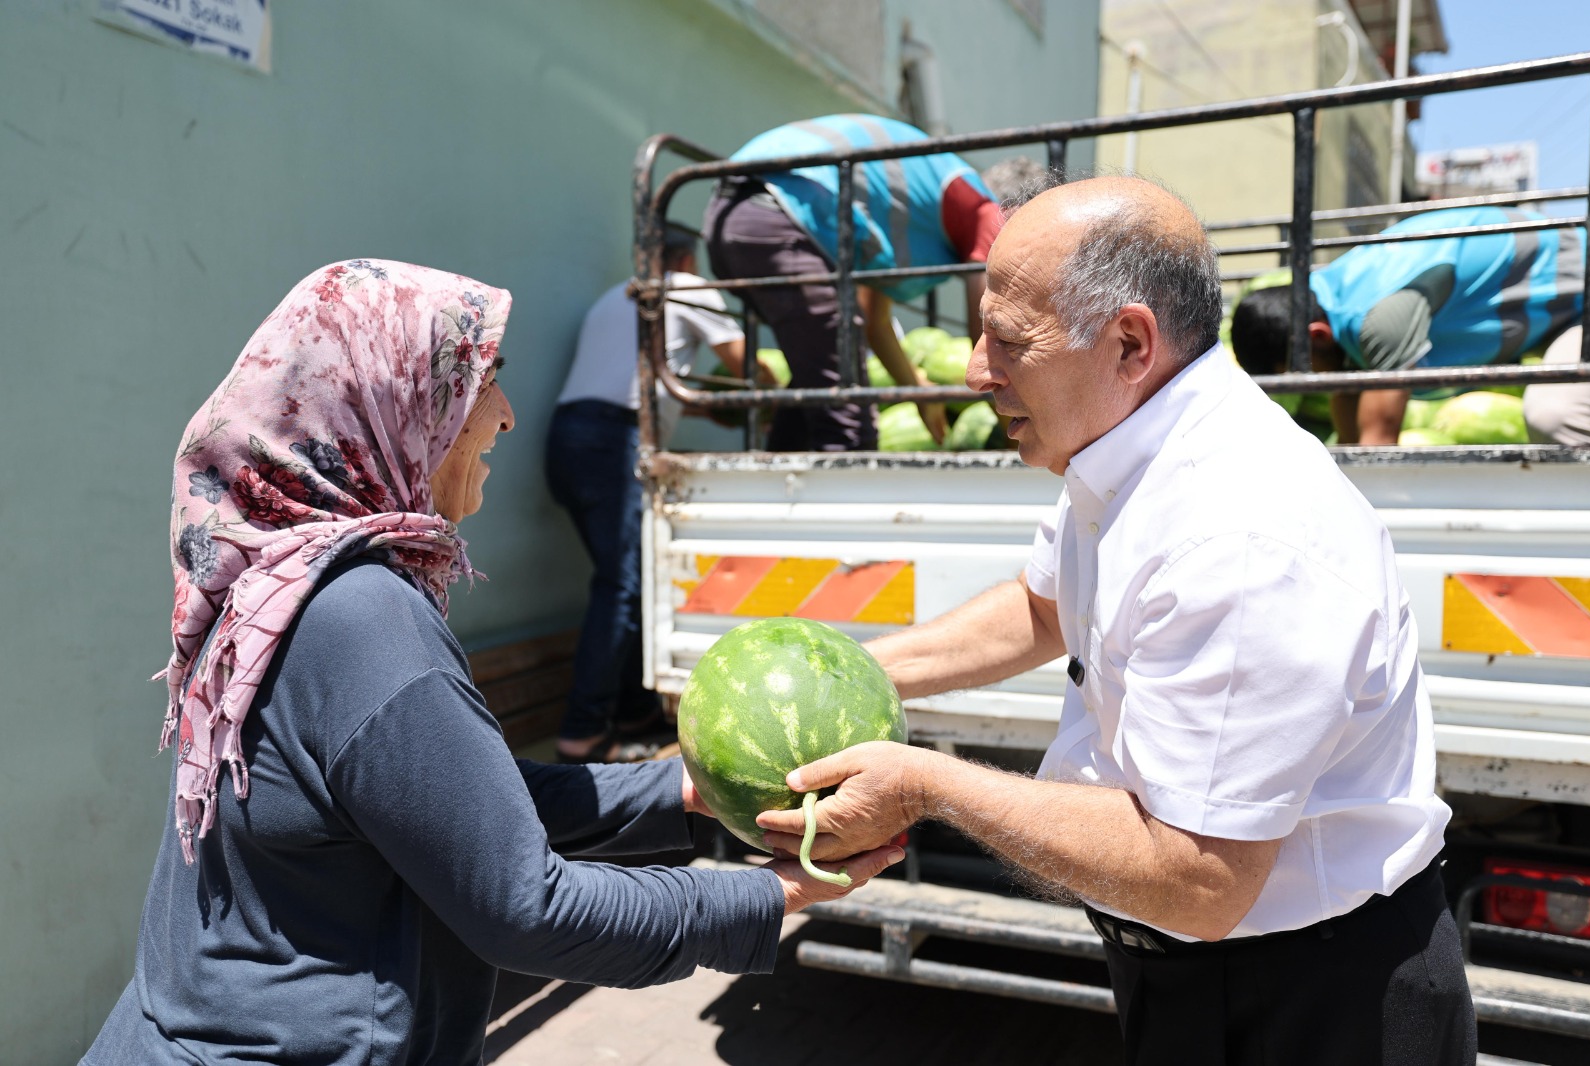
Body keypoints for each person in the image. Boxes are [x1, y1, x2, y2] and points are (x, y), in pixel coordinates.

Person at [83, 260, 901, 1065]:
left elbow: (460, 806)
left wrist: (686, 793)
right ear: (389, 401)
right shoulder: (363, 616)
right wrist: (775, 895)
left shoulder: (281, 583)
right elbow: (525, 906)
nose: (507, 417)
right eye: (480, 384)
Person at [757, 179, 1476, 1065]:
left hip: (1314, 997)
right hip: (1190, 967)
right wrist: (842, 674)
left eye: (1009, 341)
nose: (975, 370)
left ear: (1129, 341)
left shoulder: (1241, 533)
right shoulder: (1122, 444)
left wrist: (927, 786)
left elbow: (1197, 878)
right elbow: (1043, 607)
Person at [547, 229, 765, 764]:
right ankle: (583, 730)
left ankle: (633, 713)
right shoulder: (688, 286)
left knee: (630, 581)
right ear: (688, 258)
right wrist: (781, 391)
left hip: (569, 436)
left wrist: (699, 406)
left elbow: (640, 379)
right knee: (622, 585)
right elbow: (747, 368)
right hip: (614, 440)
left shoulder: (619, 295)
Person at [703, 112, 1004, 451]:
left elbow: (874, 321)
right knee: (847, 417)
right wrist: (1013, 424)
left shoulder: (915, 196)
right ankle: (844, 496)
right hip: (779, 213)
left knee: (817, 384)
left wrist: (919, 391)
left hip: (729, 218)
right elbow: (987, 335)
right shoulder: (984, 207)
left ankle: (775, 490)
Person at [1230, 205, 1589, 444]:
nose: (1312, 386)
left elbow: (1376, 451)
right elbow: (1347, 402)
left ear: (1317, 337)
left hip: (1589, 294)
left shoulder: (1377, 318)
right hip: (1562, 316)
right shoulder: (1334, 294)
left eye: (1303, 374)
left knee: (1554, 415)